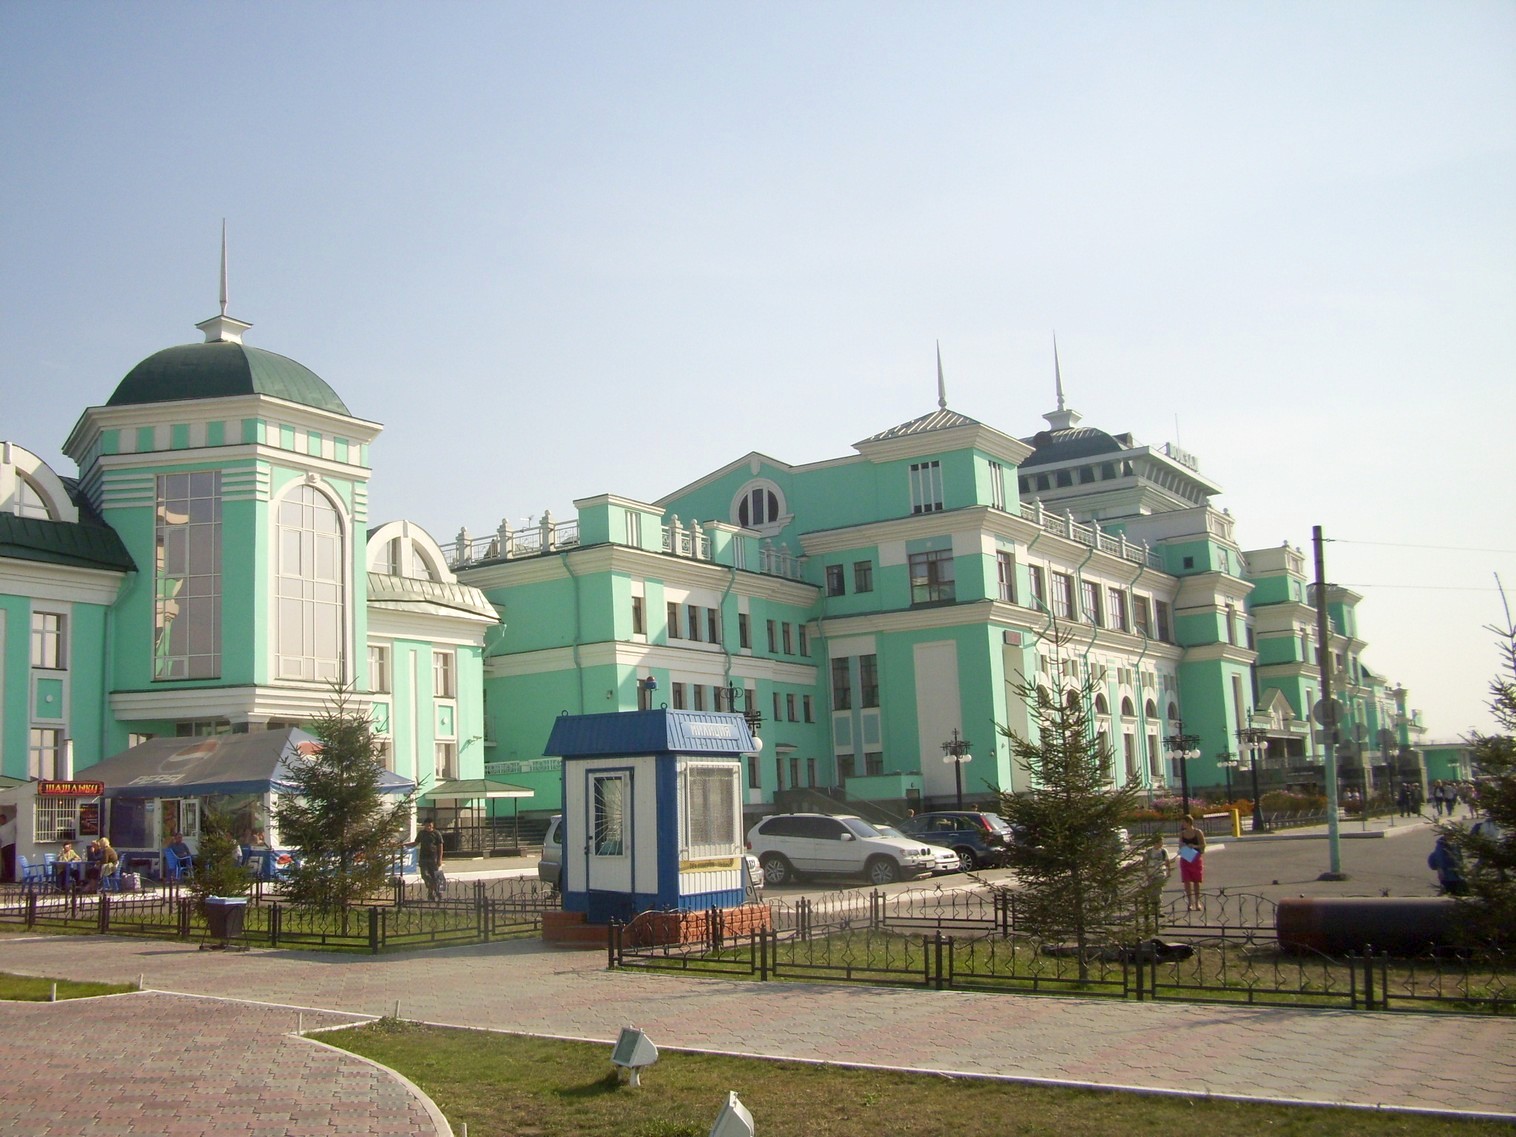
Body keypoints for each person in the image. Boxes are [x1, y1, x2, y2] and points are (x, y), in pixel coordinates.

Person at [406, 819, 445, 900]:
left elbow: (440, 846)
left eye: (430, 825)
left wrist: (440, 859)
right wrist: (404, 845)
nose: (428, 827)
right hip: (423, 858)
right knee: (425, 875)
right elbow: (415, 843)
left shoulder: (436, 833)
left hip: (433, 858)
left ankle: (434, 893)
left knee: (435, 876)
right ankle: (434, 889)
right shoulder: (421, 833)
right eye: (427, 825)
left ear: (432, 825)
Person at [1177, 814, 1206, 911]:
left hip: (1195, 857)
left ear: (1189, 822)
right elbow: (1180, 845)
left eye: (1183, 822)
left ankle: (1197, 902)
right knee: (1186, 881)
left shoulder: (1197, 832)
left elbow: (1203, 845)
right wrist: (1183, 846)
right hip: (1185, 857)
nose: (1182, 824)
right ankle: (1190, 902)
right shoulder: (1182, 833)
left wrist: (1194, 846)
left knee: (1196, 881)